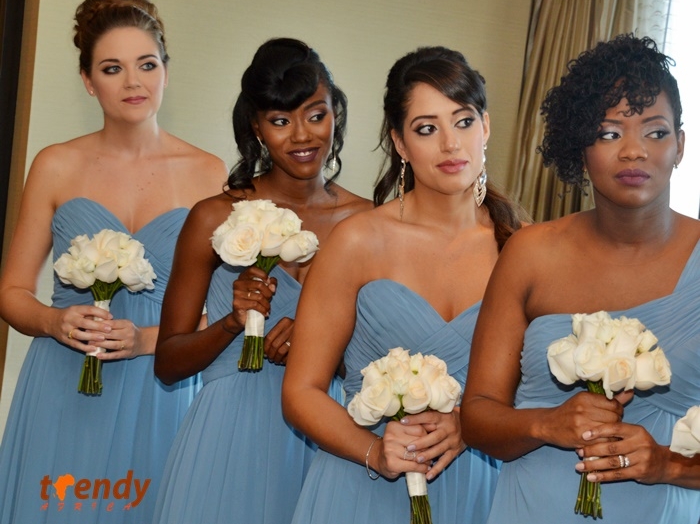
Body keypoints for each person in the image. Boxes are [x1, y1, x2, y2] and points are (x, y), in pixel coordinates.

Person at [0, 0, 226, 524]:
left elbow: (228, 313)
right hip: (63, 382)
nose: (133, 82)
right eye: (112, 68)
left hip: (161, 388)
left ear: (166, 71)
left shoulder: (209, 173)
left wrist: (147, 340)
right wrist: (54, 322)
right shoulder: (54, 165)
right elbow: (11, 292)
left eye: (147, 64)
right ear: (87, 80)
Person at [461, 34, 700, 523]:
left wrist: (669, 464)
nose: (633, 151)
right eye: (609, 134)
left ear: (680, 145)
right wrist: (546, 424)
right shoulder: (529, 253)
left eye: (655, 132)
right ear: (580, 147)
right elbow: (477, 417)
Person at [282, 46, 525, 524]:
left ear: (486, 127)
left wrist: (470, 424)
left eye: (463, 121)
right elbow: (301, 391)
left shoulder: (520, 248)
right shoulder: (357, 241)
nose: (451, 144)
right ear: (400, 143)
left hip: (479, 489)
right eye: (427, 129)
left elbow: (537, 391)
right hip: (360, 485)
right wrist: (374, 452)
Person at [151, 37, 371, 524]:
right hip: (226, 438)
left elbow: (377, 363)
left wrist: (320, 347)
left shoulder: (370, 224)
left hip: (327, 439)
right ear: (256, 126)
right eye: (280, 121)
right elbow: (167, 364)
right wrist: (232, 323)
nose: (302, 136)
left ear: (335, 113)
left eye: (316, 115)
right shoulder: (214, 216)